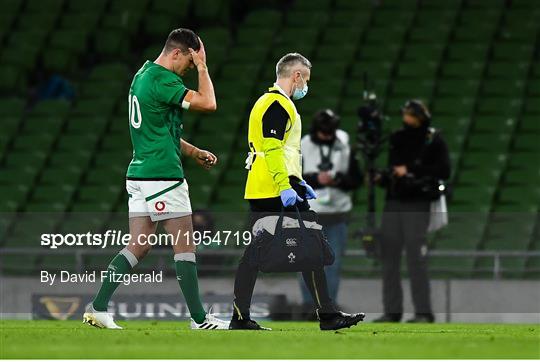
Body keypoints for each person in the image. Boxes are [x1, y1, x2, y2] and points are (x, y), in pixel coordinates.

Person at [83, 28, 229, 330]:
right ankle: (200, 320)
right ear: (177, 53)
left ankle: (97, 307)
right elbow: (208, 103)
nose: (188, 70)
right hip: (162, 174)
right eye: (188, 64)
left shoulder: (142, 76)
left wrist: (193, 151)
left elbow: (159, 132)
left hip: (140, 172)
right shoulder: (163, 79)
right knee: (185, 245)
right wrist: (203, 66)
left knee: (139, 245)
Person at [230, 53, 365, 330]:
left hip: (269, 185)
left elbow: (278, 151)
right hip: (274, 188)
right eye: (306, 79)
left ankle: (241, 316)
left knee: (260, 252)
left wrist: (297, 180)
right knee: (309, 245)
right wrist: (284, 185)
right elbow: (272, 148)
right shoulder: (278, 104)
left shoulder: (269, 102)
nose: (306, 86)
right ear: (297, 76)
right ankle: (326, 314)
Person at [374, 100, 450, 323]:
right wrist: (384, 177)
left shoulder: (433, 139)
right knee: (389, 258)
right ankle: (392, 311)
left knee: (416, 259)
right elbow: (393, 168)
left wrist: (411, 170)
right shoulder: (397, 138)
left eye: (411, 115)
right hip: (394, 201)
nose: (407, 118)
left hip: (417, 203)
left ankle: (423, 312)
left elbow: (444, 170)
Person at [299, 109, 362, 307]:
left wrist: (339, 180)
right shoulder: (303, 145)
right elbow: (292, 179)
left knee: (332, 265)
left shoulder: (343, 143)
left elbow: (356, 179)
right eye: (323, 132)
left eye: (330, 132)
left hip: (337, 215)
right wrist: (315, 179)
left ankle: (328, 306)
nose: (327, 136)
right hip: (310, 214)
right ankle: (309, 307)